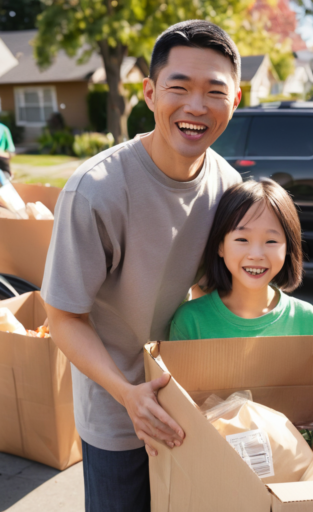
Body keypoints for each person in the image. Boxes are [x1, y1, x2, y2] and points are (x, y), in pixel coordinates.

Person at [42, 20, 243, 512]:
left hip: (193, 406)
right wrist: (128, 394)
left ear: (236, 101)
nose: (197, 106)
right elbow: (63, 317)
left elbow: (216, 294)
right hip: (117, 410)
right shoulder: (97, 189)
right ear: (150, 93)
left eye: (215, 92)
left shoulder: (228, 187)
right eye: (180, 87)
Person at [170, 179, 313, 340]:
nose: (256, 254)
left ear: (288, 247)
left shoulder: (308, 321)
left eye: (271, 241)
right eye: (242, 240)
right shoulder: (190, 321)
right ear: (220, 245)